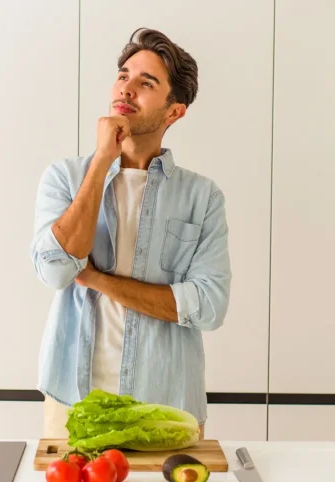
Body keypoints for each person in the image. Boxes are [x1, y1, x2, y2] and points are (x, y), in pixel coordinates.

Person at [30, 27, 231, 440]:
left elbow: (209, 306)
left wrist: (97, 278)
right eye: (123, 76)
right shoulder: (65, 178)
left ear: (173, 111)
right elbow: (54, 271)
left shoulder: (202, 196)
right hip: (73, 401)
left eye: (146, 83)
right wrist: (103, 159)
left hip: (166, 406)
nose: (127, 89)